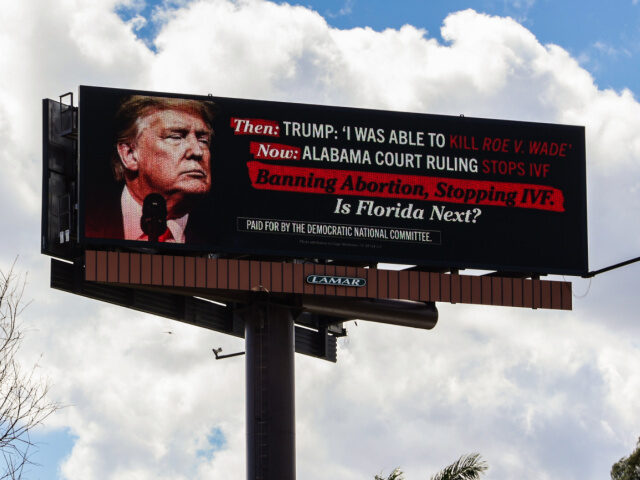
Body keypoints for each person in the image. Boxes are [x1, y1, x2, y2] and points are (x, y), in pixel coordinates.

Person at [85, 95, 216, 243]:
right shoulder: (85, 222)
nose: (197, 151)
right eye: (175, 137)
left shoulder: (229, 239)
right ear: (130, 154)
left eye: (203, 140)